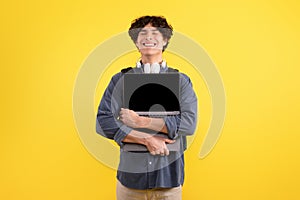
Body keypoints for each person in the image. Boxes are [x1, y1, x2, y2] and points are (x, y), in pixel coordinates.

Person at [96, 16, 197, 200]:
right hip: (130, 182)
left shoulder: (181, 81)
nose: (148, 37)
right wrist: (147, 139)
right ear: (136, 41)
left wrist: (140, 121)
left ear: (165, 39)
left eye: (155, 33)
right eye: (142, 33)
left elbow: (189, 124)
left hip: (169, 181)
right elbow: (103, 121)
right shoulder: (120, 81)